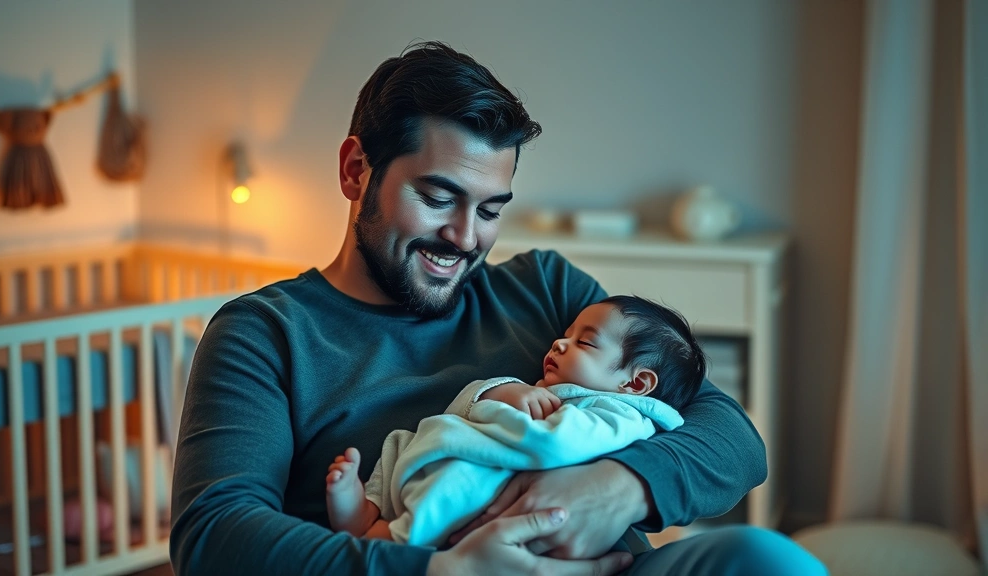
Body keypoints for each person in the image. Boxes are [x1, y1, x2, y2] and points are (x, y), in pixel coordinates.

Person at [170, 41, 827, 576]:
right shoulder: (263, 333)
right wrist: (434, 572)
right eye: (437, 197)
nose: (464, 238)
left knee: (765, 558)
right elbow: (214, 534)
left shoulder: (546, 289)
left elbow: (732, 438)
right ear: (354, 172)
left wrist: (619, 485)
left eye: (489, 210)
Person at [325, 295, 702, 547]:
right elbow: (461, 406)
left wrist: (495, 411)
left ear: (635, 383)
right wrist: (500, 392)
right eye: (566, 334)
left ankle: (380, 537)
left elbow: (555, 443)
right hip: (450, 447)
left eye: (584, 343)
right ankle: (370, 508)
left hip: (497, 484)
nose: (559, 344)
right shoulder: (551, 389)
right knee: (401, 442)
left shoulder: (623, 415)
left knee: (455, 491)